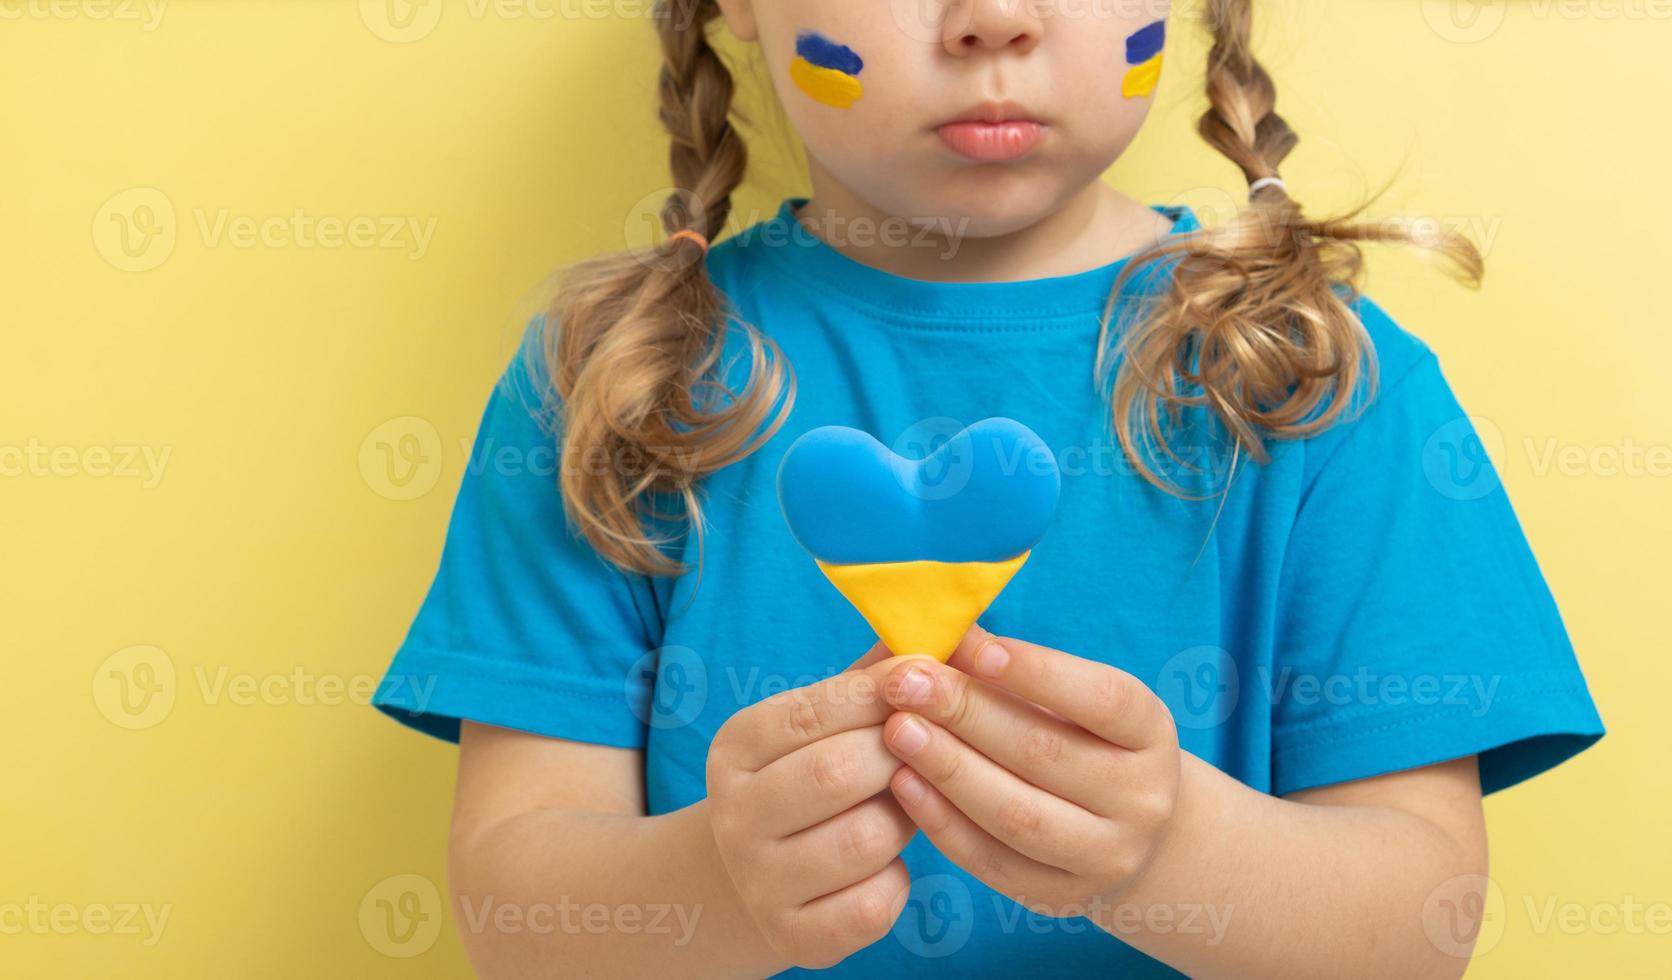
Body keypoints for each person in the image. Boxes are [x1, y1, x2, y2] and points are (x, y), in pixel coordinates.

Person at [374, 2, 1605, 975]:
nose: (992, 19)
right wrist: (719, 881)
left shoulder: (1318, 378)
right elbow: (517, 916)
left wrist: (1164, 845)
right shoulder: (617, 383)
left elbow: (1419, 929)